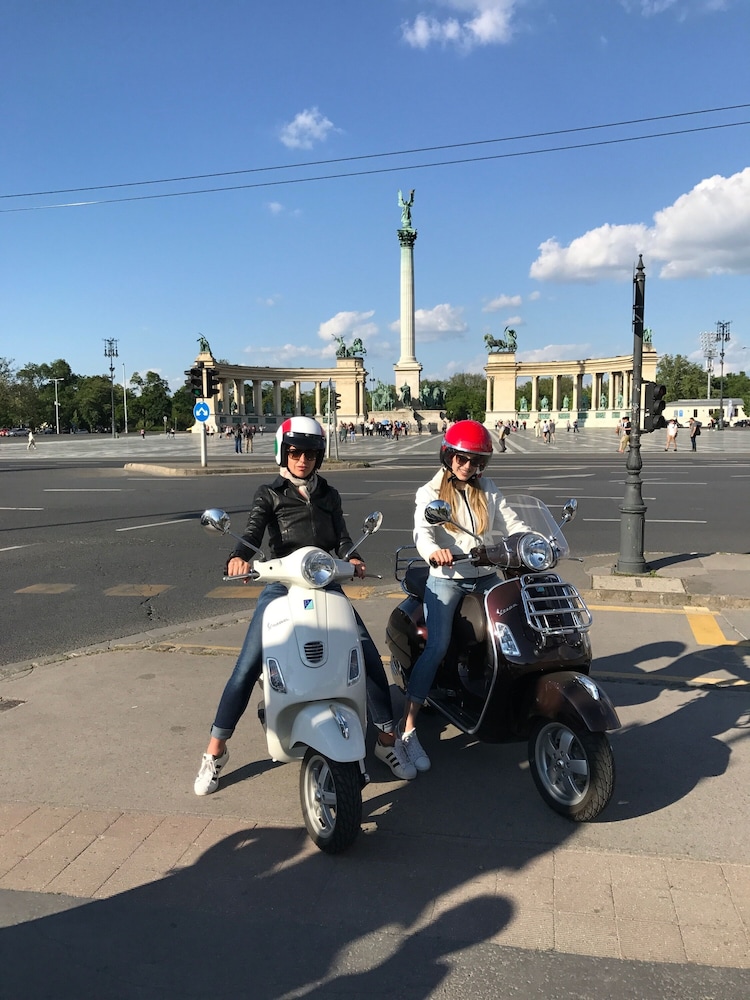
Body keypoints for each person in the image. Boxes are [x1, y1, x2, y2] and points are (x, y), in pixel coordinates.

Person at [194, 416, 416, 795]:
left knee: (365, 654)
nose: (303, 459)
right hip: (280, 586)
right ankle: (215, 751)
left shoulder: (329, 494)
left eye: (311, 453)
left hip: (324, 582)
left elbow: (343, 540)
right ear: (283, 452)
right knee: (247, 666)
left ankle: (386, 741)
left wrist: (353, 558)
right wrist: (239, 556)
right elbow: (251, 535)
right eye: (295, 452)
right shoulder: (269, 493)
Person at [398, 421, 530, 773]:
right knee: (438, 646)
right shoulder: (430, 492)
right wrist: (432, 553)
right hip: (448, 579)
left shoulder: (487, 489)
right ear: (448, 455)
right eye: (461, 458)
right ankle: (407, 727)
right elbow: (423, 531)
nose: (467, 467)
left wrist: (530, 539)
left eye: (475, 461)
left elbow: (511, 521)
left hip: (486, 575)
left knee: (512, 633)